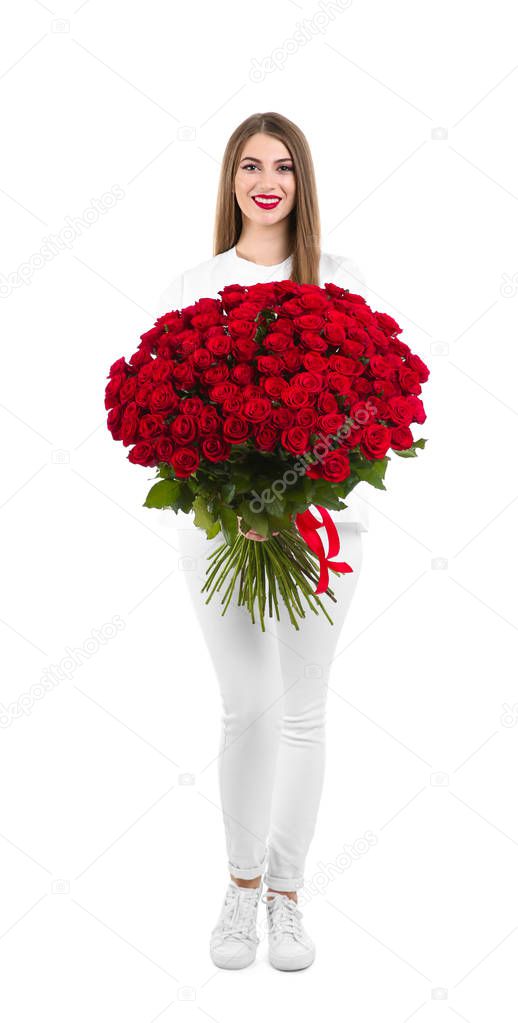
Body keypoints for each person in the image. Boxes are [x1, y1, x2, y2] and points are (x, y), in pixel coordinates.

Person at [157, 112, 370, 972]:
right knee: (248, 707)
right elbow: (174, 417)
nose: (266, 180)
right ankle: (239, 887)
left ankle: (286, 894)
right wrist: (232, 499)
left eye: (283, 165)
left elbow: (365, 420)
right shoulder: (195, 284)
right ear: (231, 181)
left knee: (305, 713)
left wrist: (291, 498)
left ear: (302, 181)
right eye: (250, 165)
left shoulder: (341, 279)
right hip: (216, 532)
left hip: (322, 531)